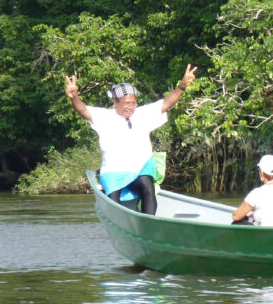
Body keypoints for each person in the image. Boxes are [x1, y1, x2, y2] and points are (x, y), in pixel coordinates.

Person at [65, 64, 197, 215]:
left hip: (140, 168)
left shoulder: (142, 114)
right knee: (114, 203)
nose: (131, 107)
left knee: (147, 187)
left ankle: (148, 223)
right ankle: (122, 220)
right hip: (113, 171)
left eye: (133, 103)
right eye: (126, 103)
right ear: (115, 102)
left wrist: (182, 86)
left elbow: (167, 102)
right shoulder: (104, 117)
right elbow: (83, 109)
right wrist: (74, 97)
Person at [231, 155, 273, 226]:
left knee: (236, 223)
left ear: (262, 173)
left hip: (265, 235)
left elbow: (236, 216)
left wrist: (252, 216)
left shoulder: (257, 193)